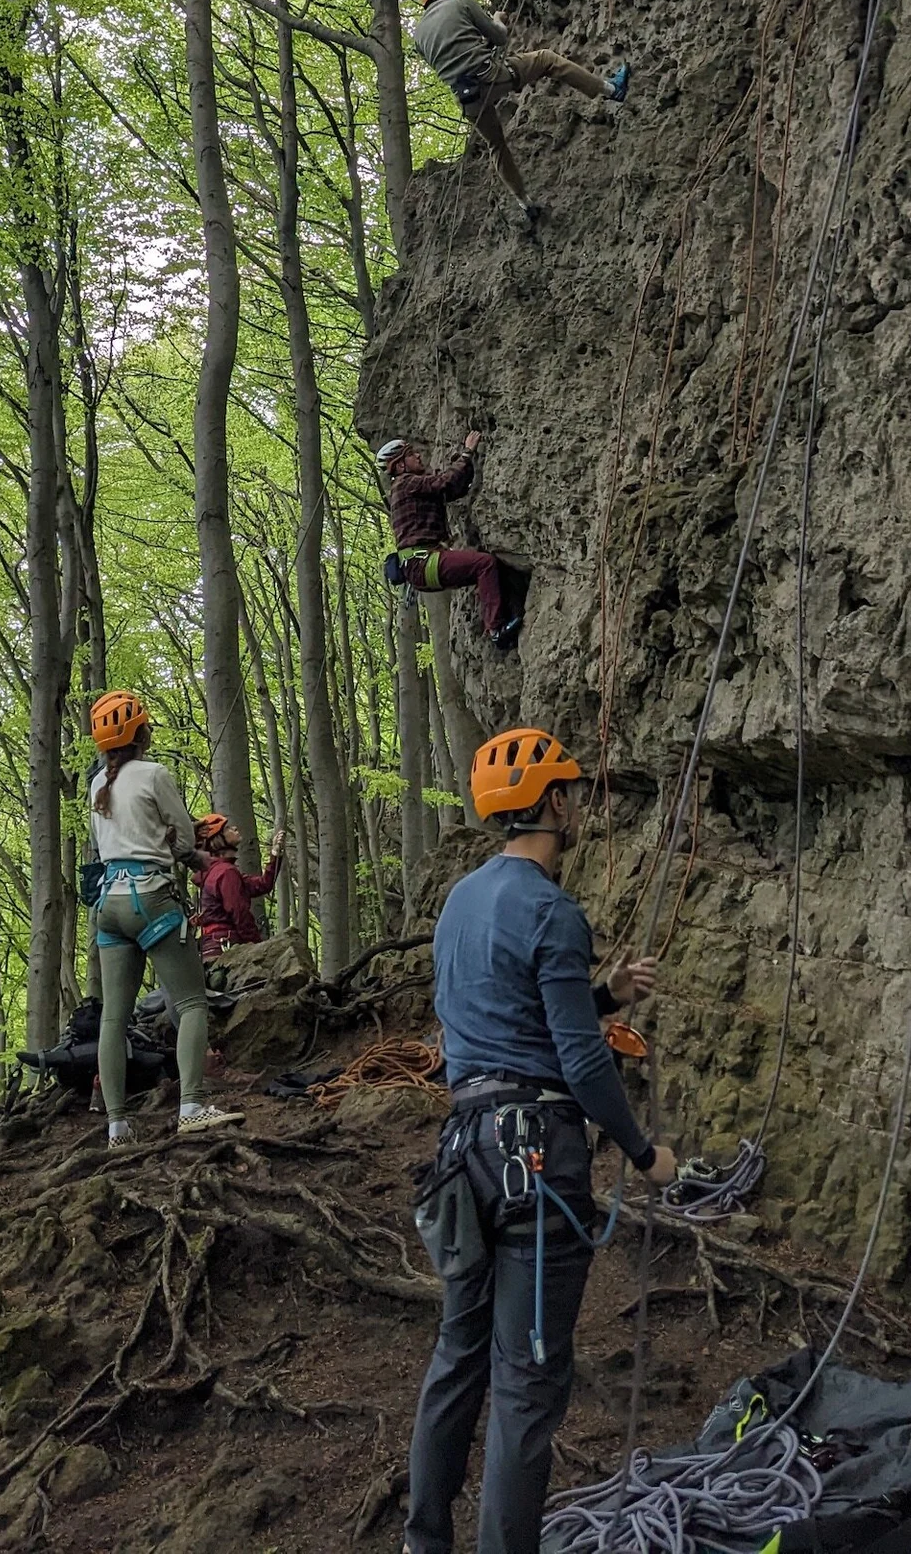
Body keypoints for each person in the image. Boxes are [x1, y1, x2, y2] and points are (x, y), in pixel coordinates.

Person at [404, 727, 678, 1554]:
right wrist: (643, 1153)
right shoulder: (554, 910)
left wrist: (603, 992)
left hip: (464, 1155)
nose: (579, 806)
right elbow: (581, 1061)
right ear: (554, 802)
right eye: (573, 793)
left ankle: (424, 1542)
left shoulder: (460, 901)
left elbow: (509, 1012)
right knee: (526, 1382)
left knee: (459, 1353)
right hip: (536, 1163)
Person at [86, 689, 242, 1141]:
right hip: (150, 898)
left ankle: (117, 1127)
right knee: (192, 1002)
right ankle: (191, 1106)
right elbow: (183, 837)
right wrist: (194, 856)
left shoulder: (97, 784)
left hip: (110, 904)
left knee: (114, 1018)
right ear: (140, 733)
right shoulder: (154, 774)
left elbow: (107, 843)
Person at [409, 0, 629, 223]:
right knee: (547, 59)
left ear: (425, 4)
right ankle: (611, 89)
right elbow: (499, 37)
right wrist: (498, 19)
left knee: (496, 145)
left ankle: (525, 203)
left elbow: (454, 58)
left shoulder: (419, 37)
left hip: (468, 98)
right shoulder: (461, 3)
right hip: (490, 75)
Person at [379, 432, 522, 650]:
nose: (418, 456)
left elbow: (452, 489)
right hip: (423, 562)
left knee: (487, 570)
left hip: (420, 565)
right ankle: (496, 630)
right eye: (411, 454)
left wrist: (464, 467)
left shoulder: (409, 488)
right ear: (400, 466)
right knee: (484, 564)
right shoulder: (405, 483)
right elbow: (445, 482)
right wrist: (467, 453)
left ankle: (509, 615)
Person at [196, 814, 285, 960]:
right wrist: (258, 946)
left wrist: (275, 854)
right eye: (227, 828)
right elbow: (239, 913)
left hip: (214, 948)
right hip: (226, 948)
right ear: (217, 839)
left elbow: (263, 884)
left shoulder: (217, 871)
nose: (235, 828)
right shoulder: (225, 872)